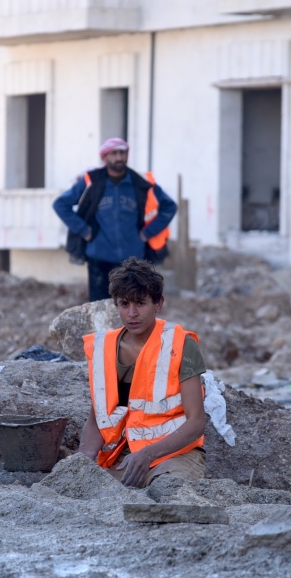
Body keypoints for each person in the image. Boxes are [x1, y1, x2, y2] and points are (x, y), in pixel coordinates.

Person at [78, 257, 206, 488]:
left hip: (174, 455)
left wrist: (148, 454)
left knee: (169, 493)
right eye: (124, 304)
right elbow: (97, 419)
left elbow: (196, 422)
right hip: (124, 456)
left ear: (158, 304)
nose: (132, 313)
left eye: (140, 303)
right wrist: (82, 462)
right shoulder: (103, 349)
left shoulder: (179, 344)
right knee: (84, 489)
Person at [53, 137, 177, 302]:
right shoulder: (92, 181)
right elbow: (61, 204)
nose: (119, 157)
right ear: (104, 157)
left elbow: (170, 207)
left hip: (133, 261)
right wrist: (84, 231)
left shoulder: (140, 183)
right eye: (114, 153)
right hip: (99, 258)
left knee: (133, 308)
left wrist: (147, 233)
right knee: (100, 309)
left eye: (122, 153)